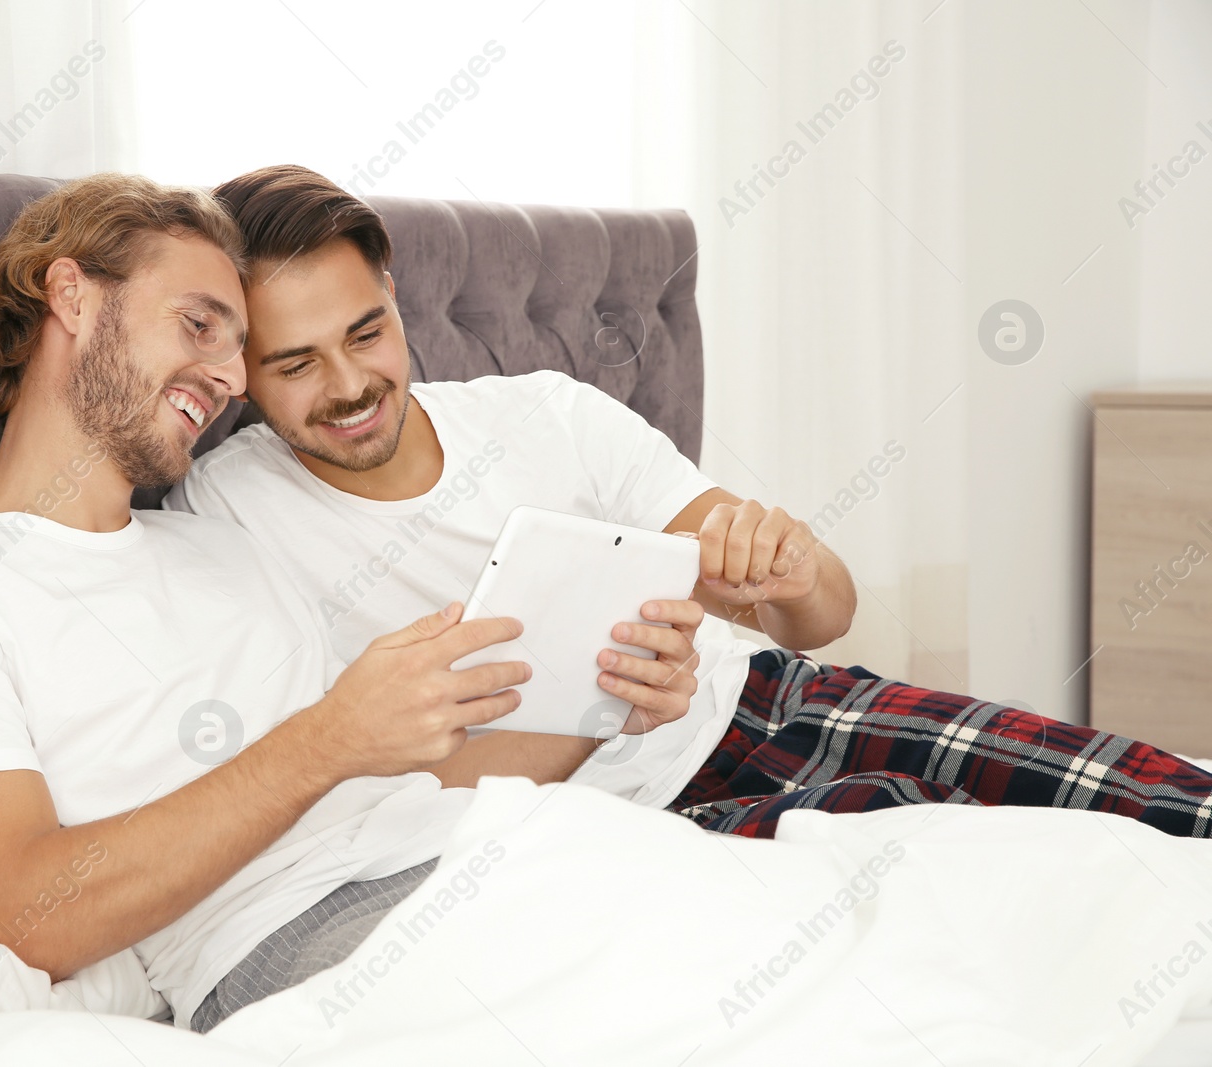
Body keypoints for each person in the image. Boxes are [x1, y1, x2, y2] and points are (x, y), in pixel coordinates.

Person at [166, 163, 1212, 841]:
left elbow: (824, 611)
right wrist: (597, 702)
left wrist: (789, 573)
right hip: (638, 819)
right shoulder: (228, 516)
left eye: (364, 333)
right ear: (235, 364)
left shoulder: (545, 414)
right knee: (988, 867)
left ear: (393, 295)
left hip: (774, 693)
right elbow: (341, 799)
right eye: (293, 361)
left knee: (1155, 799)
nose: (348, 386)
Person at [0, 173, 548, 1033]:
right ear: (73, 295)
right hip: (310, 941)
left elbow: (393, 775)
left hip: (493, 848)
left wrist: (613, 696)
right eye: (200, 325)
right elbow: (20, 909)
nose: (230, 379)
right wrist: (327, 742)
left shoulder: (220, 541)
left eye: (238, 347)